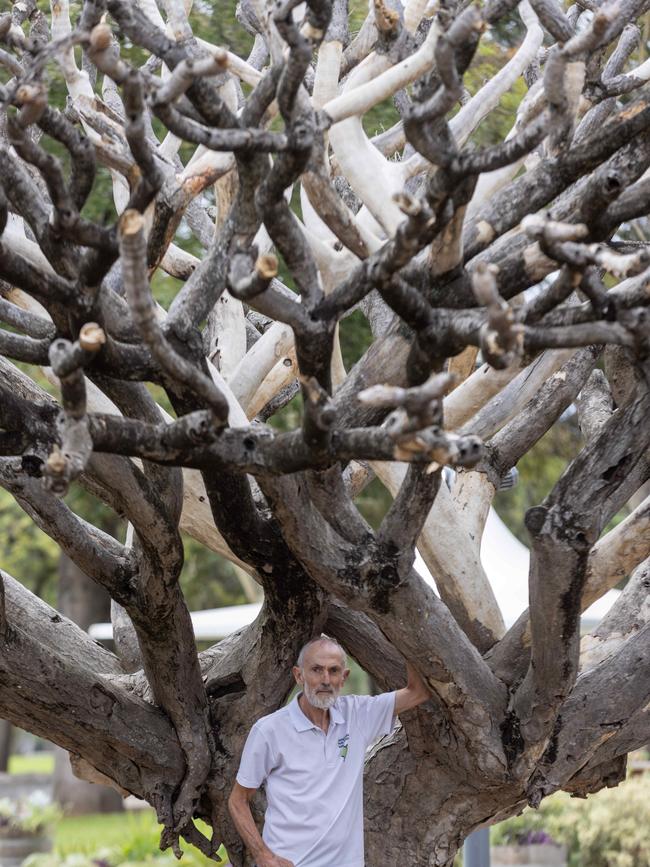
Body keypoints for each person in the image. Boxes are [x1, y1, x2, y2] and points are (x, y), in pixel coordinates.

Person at [228, 634, 431, 867]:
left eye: (333, 671)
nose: (325, 679)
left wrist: (403, 628)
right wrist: (263, 855)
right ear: (298, 675)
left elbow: (418, 692)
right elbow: (238, 800)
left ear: (344, 677)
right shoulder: (269, 730)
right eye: (316, 669)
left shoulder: (357, 714)